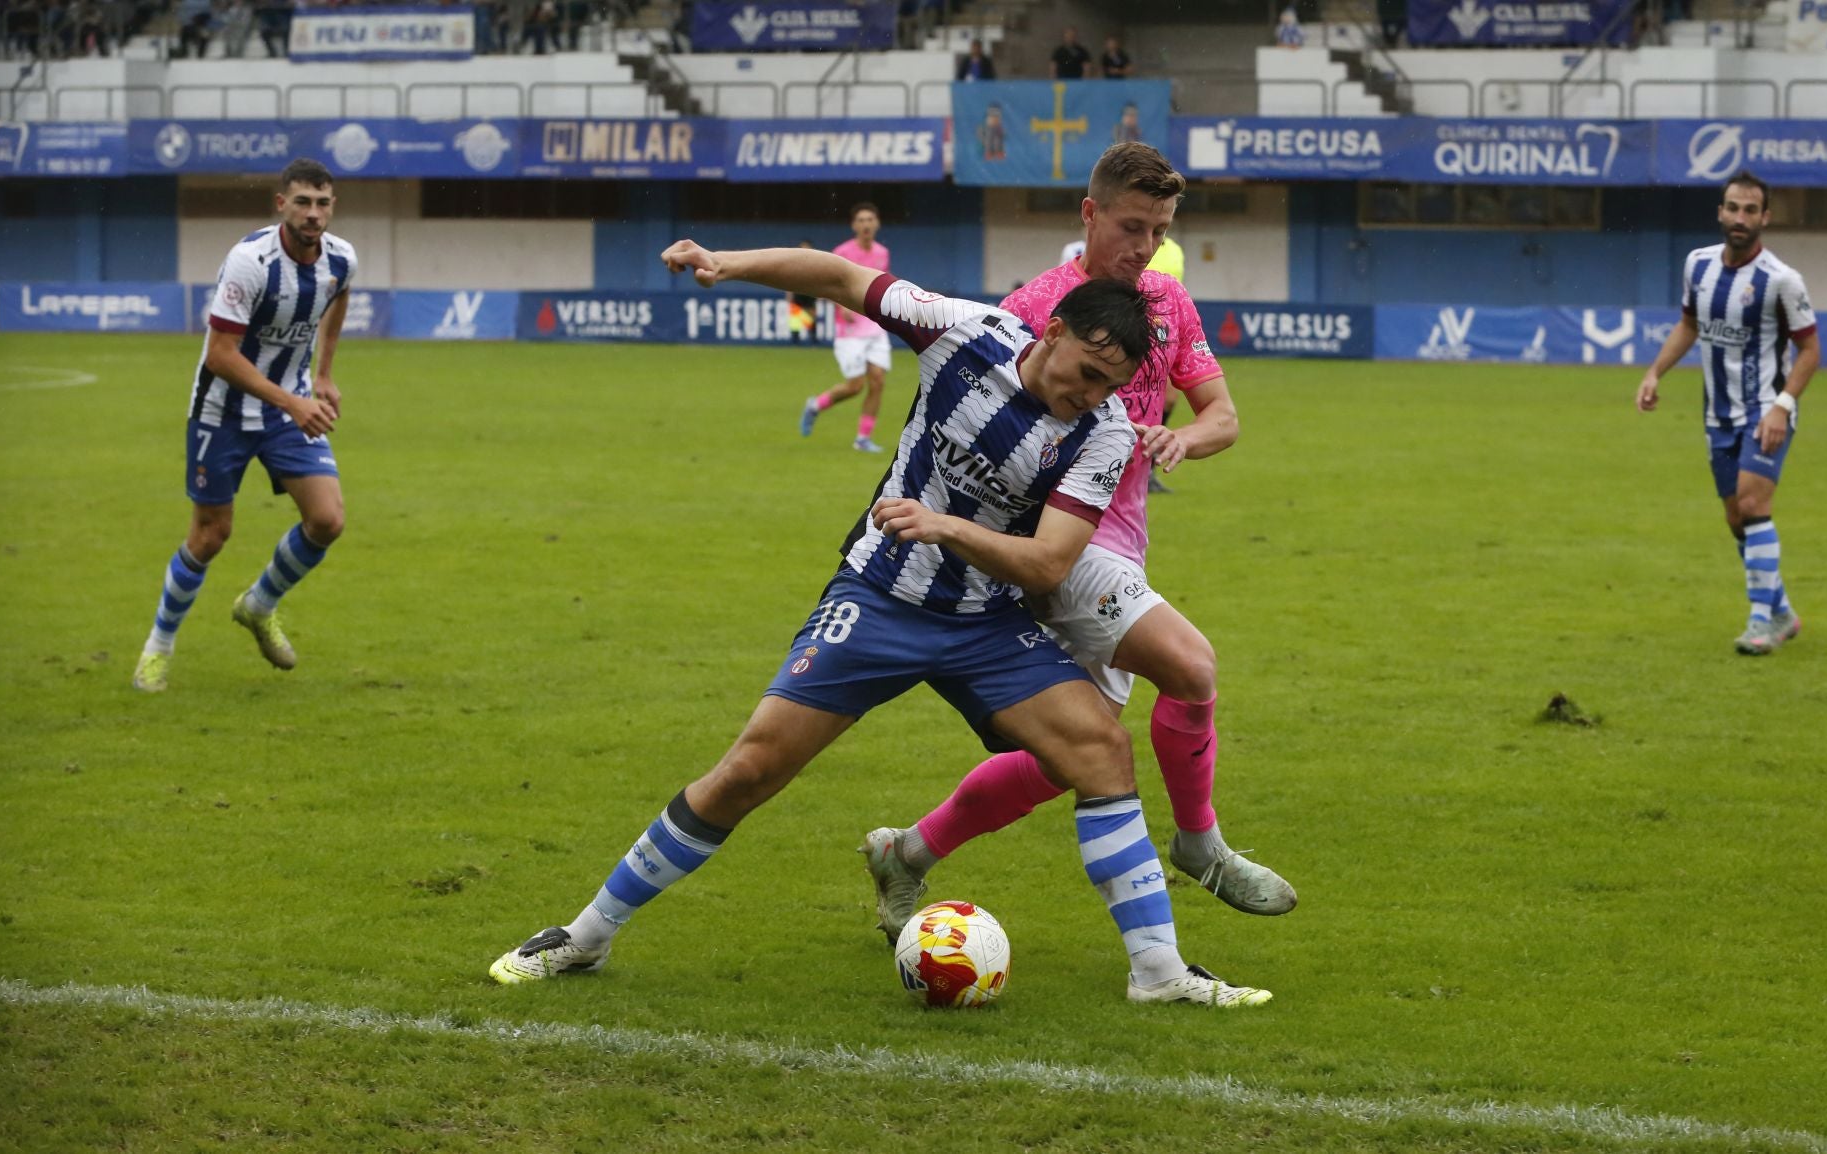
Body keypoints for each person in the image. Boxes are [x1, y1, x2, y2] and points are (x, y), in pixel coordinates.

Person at [490, 240, 1274, 1008]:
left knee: (1101, 751)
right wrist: (728, 265)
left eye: (1110, 386)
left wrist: (948, 528)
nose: (1091, 394)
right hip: (878, 600)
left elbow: (1044, 565)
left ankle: (1159, 974)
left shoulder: (1100, 434)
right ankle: (586, 935)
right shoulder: (962, 331)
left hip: (986, 620)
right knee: (751, 769)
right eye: (1085, 373)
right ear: (1054, 332)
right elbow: (834, 273)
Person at [859, 142, 1296, 947]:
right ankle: (1199, 847)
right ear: (1090, 215)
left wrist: (1181, 441)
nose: (1145, 246)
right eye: (1132, 226)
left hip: (1119, 546)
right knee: (1191, 666)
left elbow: (1223, 416)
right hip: (1051, 547)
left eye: (1160, 231)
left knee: (1073, 758)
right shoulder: (1035, 309)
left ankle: (905, 852)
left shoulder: (1167, 304)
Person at [132, 158, 356, 693]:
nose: (313, 214)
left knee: (327, 520)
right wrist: (295, 403)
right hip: (223, 410)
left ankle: (258, 605)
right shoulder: (249, 262)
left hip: (289, 406)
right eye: (302, 202)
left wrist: (322, 375)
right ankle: (157, 647)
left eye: (323, 203)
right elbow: (220, 356)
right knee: (212, 535)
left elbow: (338, 297)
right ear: (281, 204)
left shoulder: (341, 258)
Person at [1636, 169, 1820, 656]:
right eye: (1733, 208)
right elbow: (1688, 324)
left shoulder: (1781, 280)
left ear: (1765, 217)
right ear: (1720, 212)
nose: (1740, 218)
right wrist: (1656, 372)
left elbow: (1810, 351)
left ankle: (1761, 623)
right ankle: (1781, 609)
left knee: (1755, 505)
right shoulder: (1697, 265)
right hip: (1716, 413)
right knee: (1738, 519)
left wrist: (1783, 405)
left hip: (1765, 411)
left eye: (1750, 210)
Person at [801, 203, 892, 453]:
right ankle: (815, 405)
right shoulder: (842, 252)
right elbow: (827, 284)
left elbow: (880, 285)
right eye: (861, 220)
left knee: (877, 382)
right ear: (854, 225)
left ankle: (862, 439)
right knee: (855, 386)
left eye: (870, 219)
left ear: (877, 224)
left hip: (873, 326)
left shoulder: (882, 253)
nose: (866, 224)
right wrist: (842, 306)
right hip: (849, 330)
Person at [1144, 233, 1187, 494]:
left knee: (1169, 398)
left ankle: (1147, 469)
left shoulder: (1175, 250)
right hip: (1133, 327)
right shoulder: (1136, 244)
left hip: (1165, 331)